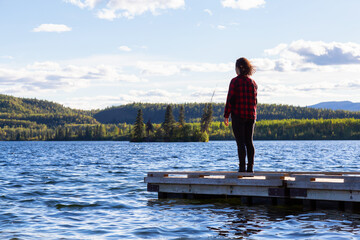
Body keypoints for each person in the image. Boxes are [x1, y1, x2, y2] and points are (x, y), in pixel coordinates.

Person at [224, 57, 257, 172]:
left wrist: (226, 115)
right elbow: (255, 101)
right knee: (249, 142)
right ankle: (250, 168)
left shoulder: (235, 81)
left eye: (236, 67)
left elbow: (230, 99)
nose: (235, 70)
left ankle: (242, 168)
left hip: (238, 115)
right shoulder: (253, 83)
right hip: (251, 116)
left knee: (240, 143)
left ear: (239, 68)